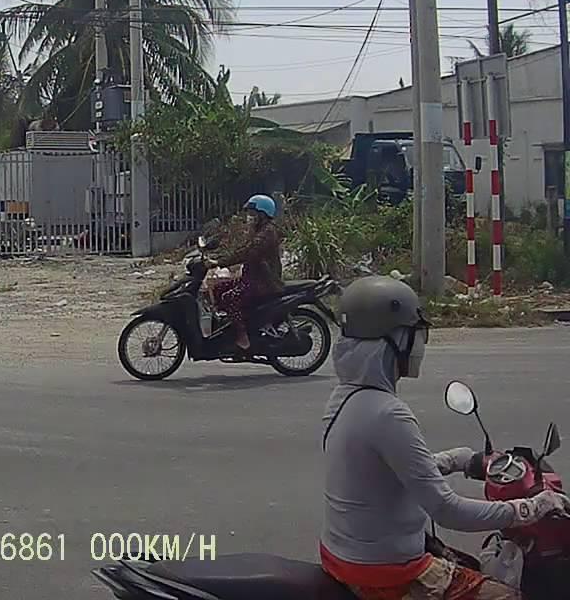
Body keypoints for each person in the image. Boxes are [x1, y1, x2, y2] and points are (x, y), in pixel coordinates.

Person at [320, 275, 570, 600]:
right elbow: (447, 510)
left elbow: (380, 472)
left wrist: (453, 460)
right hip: (387, 572)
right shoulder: (388, 413)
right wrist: (528, 508)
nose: (419, 346)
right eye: (415, 335)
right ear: (393, 341)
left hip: (344, 555)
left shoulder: (345, 397)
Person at [209, 194, 284, 350]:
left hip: (264, 282)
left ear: (263, 214)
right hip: (251, 278)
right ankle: (231, 325)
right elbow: (241, 249)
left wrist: (219, 262)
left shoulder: (267, 233)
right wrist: (217, 257)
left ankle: (242, 335)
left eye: (253, 214)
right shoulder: (257, 231)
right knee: (218, 288)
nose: (250, 217)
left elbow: (247, 253)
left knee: (230, 297)